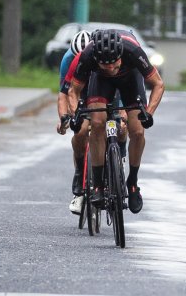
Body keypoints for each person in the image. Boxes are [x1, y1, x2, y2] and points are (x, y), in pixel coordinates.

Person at [68, 29, 165, 214]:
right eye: (106, 65)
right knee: (97, 123)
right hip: (101, 81)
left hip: (130, 80)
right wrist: (76, 114)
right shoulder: (88, 54)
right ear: (97, 58)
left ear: (121, 55)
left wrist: (149, 113)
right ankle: (97, 184)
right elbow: (74, 90)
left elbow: (158, 84)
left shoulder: (133, 51)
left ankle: (133, 182)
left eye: (114, 64)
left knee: (137, 131)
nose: (111, 69)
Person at [55, 30, 92, 214]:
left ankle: (119, 156)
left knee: (117, 127)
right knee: (80, 132)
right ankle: (80, 176)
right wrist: (64, 117)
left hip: (104, 86)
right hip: (79, 92)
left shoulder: (101, 55)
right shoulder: (68, 60)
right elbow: (64, 94)